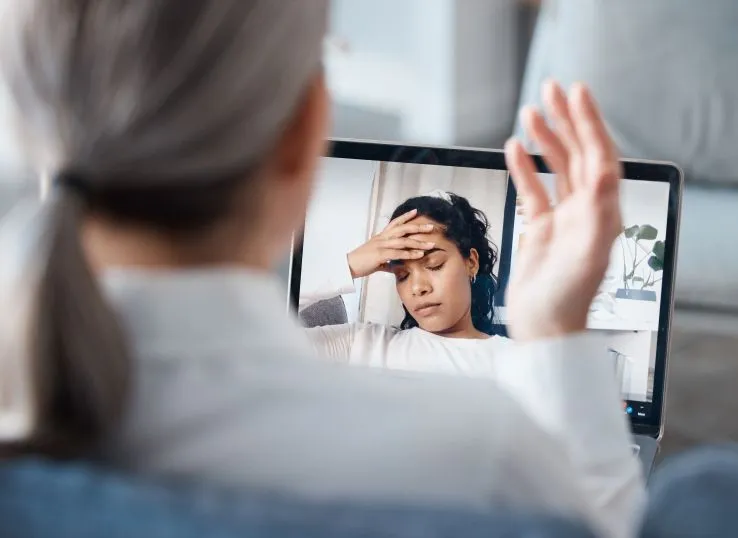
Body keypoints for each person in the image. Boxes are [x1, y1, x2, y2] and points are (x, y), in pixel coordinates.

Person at [0, 2, 642, 538]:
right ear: (305, 128)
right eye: (401, 270)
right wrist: (559, 337)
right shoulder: (488, 454)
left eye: (433, 262)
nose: (417, 284)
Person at [300, 191, 514, 377]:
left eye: (434, 265)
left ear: (471, 262)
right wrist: (350, 265)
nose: (417, 288)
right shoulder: (363, 344)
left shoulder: (514, 360)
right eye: (402, 275)